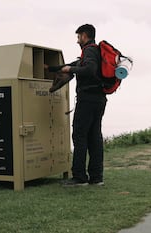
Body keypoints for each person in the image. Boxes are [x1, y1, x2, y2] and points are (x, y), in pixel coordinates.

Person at [46, 24, 107, 187]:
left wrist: (70, 68)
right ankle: (96, 177)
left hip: (87, 99)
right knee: (94, 137)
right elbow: (76, 64)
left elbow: (89, 69)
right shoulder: (95, 52)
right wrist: (52, 68)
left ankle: (79, 177)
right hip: (99, 99)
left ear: (85, 36)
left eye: (78, 36)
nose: (77, 40)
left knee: (80, 136)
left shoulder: (89, 51)